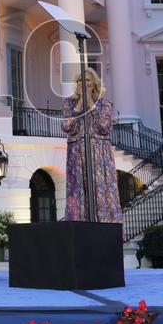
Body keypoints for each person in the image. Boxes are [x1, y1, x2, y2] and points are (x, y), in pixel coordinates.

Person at [61, 68, 122, 223]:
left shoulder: (104, 105)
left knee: (99, 189)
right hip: (77, 152)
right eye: (80, 80)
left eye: (87, 80)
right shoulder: (69, 103)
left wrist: (90, 104)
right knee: (78, 189)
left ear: (94, 84)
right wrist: (80, 104)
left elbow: (104, 126)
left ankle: (104, 226)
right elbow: (67, 127)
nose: (83, 83)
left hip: (99, 153)